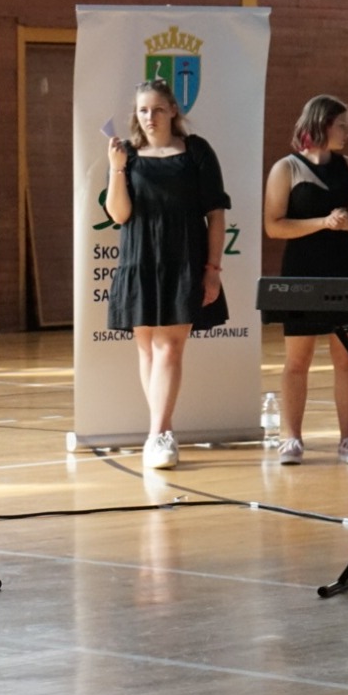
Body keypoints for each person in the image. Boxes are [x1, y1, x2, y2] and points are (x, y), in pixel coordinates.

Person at [104, 78, 229, 471]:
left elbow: (216, 215)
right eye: (143, 110)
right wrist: (116, 169)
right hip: (139, 258)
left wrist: (212, 269)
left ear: (173, 110)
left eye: (158, 109)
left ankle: (158, 433)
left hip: (184, 258)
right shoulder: (128, 154)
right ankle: (161, 431)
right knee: (147, 349)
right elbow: (119, 214)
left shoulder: (196, 151)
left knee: (170, 348)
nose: (150, 117)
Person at [263, 95, 348, 466]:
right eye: (342, 125)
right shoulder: (286, 168)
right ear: (323, 124)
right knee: (298, 359)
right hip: (302, 270)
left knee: (347, 359)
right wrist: (322, 223)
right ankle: (291, 438)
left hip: (345, 269)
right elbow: (274, 226)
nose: (347, 132)